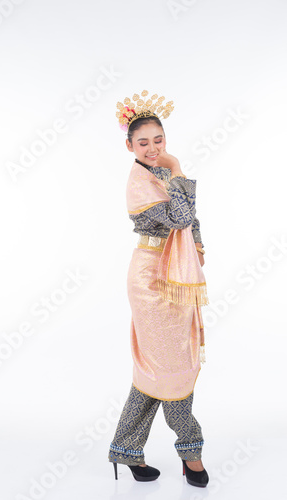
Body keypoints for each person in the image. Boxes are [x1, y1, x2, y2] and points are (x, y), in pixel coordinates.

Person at [107, 91, 209, 488]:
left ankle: (124, 449)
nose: (153, 149)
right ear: (129, 146)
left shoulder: (161, 175)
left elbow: (192, 223)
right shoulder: (141, 182)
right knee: (173, 368)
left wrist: (197, 251)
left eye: (159, 140)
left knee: (157, 369)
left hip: (173, 274)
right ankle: (192, 452)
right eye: (143, 142)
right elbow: (182, 216)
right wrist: (178, 165)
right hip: (152, 280)